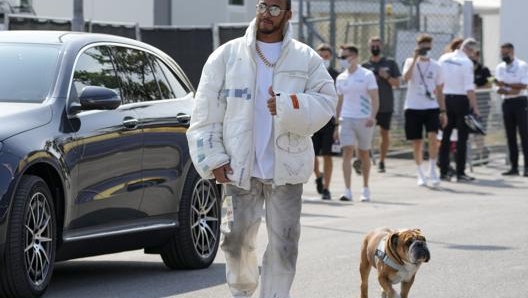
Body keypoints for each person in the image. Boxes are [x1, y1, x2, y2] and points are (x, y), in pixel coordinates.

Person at [186, 1, 337, 297]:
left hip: (287, 169)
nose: (266, 13)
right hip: (238, 168)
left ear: (288, 15)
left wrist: (287, 104)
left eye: (275, 8)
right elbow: (204, 113)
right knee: (235, 240)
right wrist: (213, 157)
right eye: (262, 5)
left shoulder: (305, 57)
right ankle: (242, 292)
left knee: (285, 243)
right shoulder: (227, 55)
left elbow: (326, 102)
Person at [335, 44, 379, 202]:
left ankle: (366, 188)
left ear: (353, 57)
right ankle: (347, 190)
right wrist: (336, 122)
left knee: (363, 152)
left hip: (364, 119)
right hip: (346, 119)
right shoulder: (341, 77)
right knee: (347, 151)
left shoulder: (367, 75)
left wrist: (372, 116)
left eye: (344, 57)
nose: (341, 60)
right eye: (340, 57)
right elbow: (339, 101)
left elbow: (374, 97)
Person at [402, 34, 447, 186]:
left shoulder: (436, 66)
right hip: (413, 106)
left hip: (431, 106)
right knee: (417, 142)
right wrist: (415, 59)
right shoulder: (410, 62)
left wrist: (443, 111)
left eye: (428, 46)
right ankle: (420, 172)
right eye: (422, 46)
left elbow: (440, 89)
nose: (425, 49)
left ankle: (433, 169)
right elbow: (406, 78)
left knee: (433, 137)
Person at [438, 38, 480, 182]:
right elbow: (469, 88)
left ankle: (443, 171)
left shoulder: (444, 58)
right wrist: (475, 107)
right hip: (461, 100)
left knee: (445, 137)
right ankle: (460, 172)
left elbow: (438, 81)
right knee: (462, 138)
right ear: (471, 50)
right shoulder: (466, 63)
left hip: (445, 99)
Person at [362, 36, 401, 173]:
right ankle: (364, 159)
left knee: (384, 133)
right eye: (373, 46)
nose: (375, 48)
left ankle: (382, 161)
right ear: (369, 47)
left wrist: (387, 77)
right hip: (368, 107)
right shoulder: (364, 66)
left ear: (382, 47)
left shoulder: (390, 63)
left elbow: (397, 84)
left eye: (377, 45)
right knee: (364, 134)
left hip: (385, 105)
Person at [494, 42, 528, 177]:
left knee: (524, 135)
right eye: (502, 53)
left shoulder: (522, 65)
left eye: (506, 53)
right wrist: (508, 89)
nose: (504, 56)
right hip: (507, 102)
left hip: (521, 102)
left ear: (512, 52)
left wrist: (507, 85)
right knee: (510, 136)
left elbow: (524, 85)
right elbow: (497, 86)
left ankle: (526, 167)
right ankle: (513, 167)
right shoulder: (500, 67)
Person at [313, 43, 339, 200]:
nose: (324, 58)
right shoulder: (310, 74)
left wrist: (337, 123)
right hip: (313, 119)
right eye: (321, 55)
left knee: (327, 155)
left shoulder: (336, 75)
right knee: (312, 156)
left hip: (329, 120)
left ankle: (327, 188)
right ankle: (318, 176)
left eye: (326, 55)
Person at [472, 49, 492, 161]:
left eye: (474, 56)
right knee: (474, 129)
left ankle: (480, 154)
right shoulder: (467, 69)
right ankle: (483, 150)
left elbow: (491, 84)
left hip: (483, 103)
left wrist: (477, 89)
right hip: (471, 104)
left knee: (480, 128)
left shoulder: (485, 70)